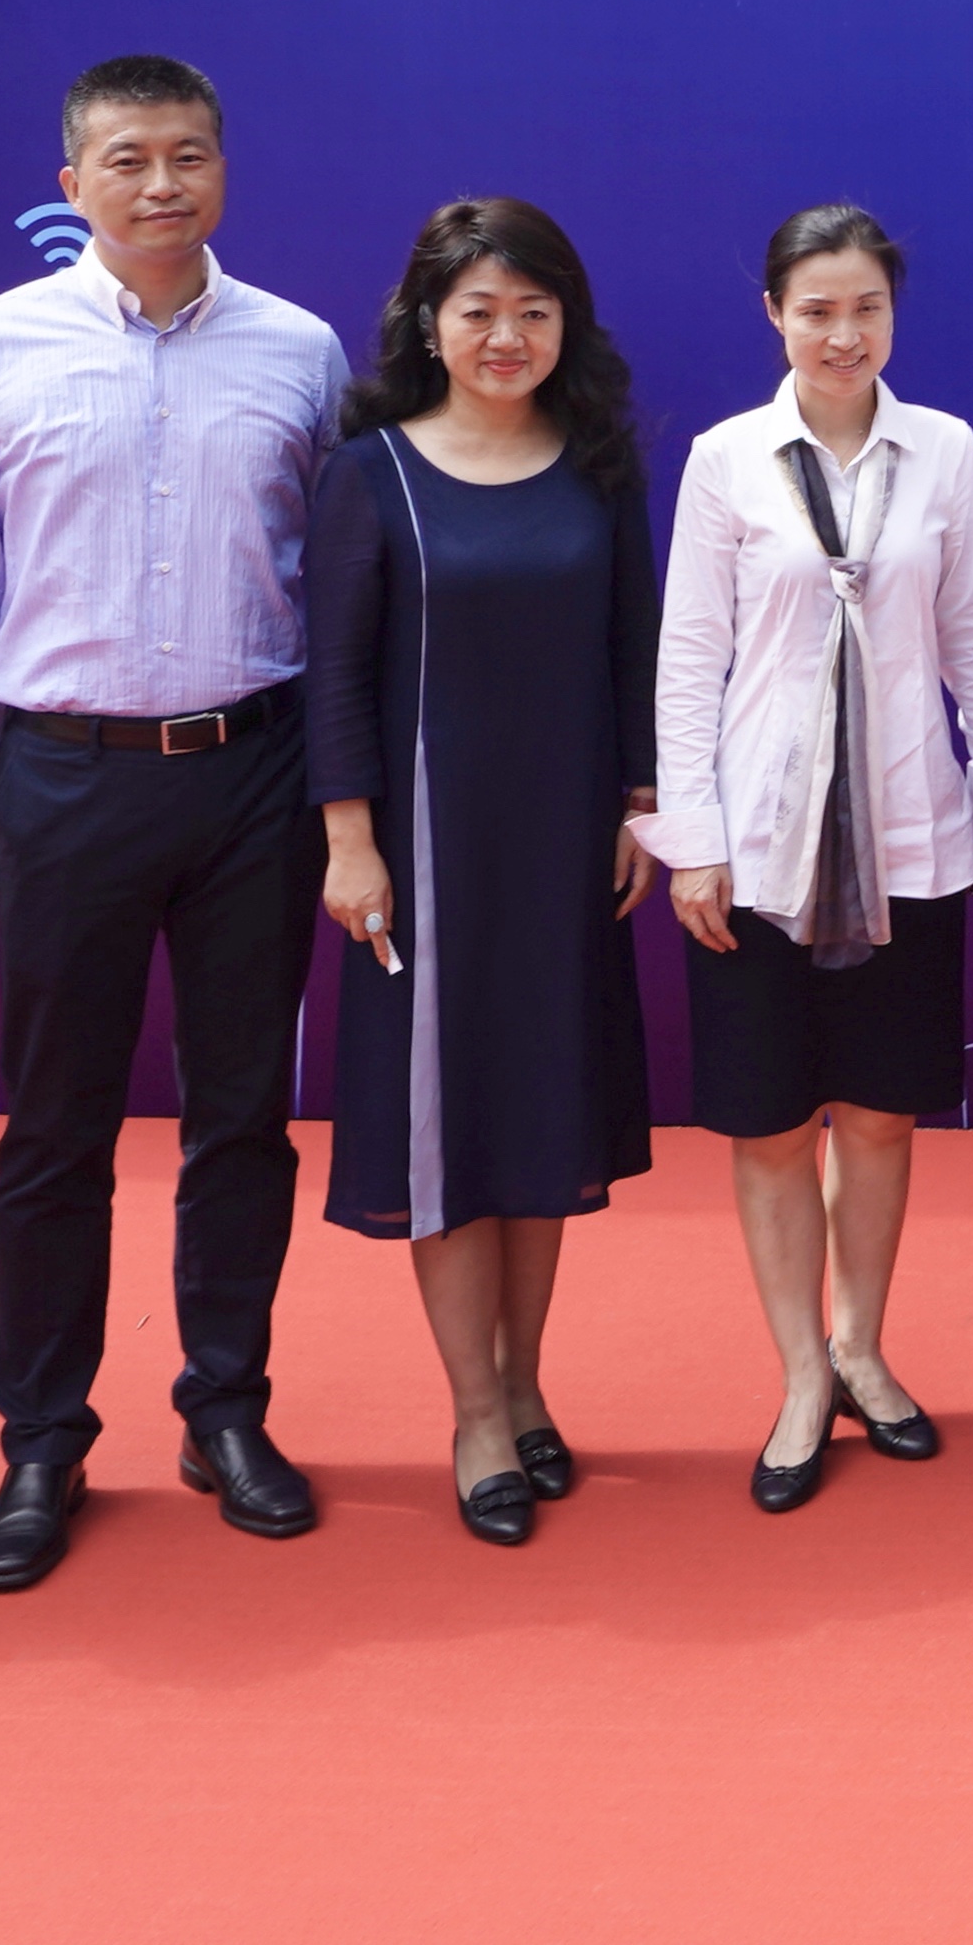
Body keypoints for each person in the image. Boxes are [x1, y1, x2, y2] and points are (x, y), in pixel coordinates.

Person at [0, 54, 351, 1594]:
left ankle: (226, 1409)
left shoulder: (300, 350)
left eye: (190, 156)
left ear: (224, 168)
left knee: (244, 1116)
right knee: (55, 1127)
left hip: (252, 773)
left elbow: (333, 583)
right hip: (62, 774)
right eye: (130, 159)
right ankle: (41, 1439)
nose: (163, 184)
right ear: (72, 181)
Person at [302, 198, 661, 1546]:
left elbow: (636, 646)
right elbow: (334, 672)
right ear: (429, 324)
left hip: (565, 841)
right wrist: (348, 840)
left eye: (533, 312)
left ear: (567, 325)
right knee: (443, 1125)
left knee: (541, 1111)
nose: (506, 337)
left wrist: (640, 803)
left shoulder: (599, 467)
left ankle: (524, 1383)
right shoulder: (373, 473)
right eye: (479, 312)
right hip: (426, 855)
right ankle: (473, 1415)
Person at [657, 205, 973, 1511]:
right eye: (817, 310)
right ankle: (802, 1372)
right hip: (761, 849)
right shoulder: (727, 460)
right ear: (775, 315)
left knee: (879, 1111)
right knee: (768, 1123)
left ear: (894, 313)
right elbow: (690, 659)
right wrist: (694, 841)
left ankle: (863, 1345)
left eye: (866, 308)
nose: (844, 334)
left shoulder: (945, 450)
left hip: (909, 836)